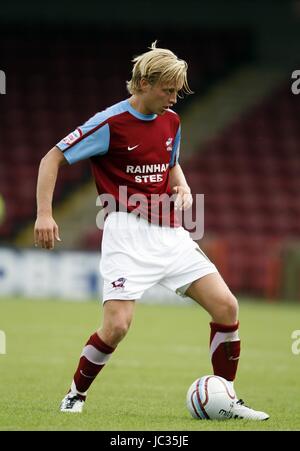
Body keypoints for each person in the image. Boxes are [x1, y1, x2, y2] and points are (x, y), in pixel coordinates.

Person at [34, 42, 269, 420]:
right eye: (168, 90)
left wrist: (184, 186)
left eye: (178, 91)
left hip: (171, 233)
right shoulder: (109, 123)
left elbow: (170, 162)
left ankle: (227, 400)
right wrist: (45, 214)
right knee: (117, 327)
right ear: (143, 83)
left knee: (226, 306)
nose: (174, 99)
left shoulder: (172, 122)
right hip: (125, 233)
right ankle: (75, 395)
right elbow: (53, 157)